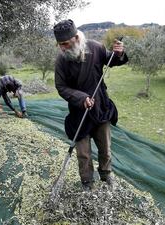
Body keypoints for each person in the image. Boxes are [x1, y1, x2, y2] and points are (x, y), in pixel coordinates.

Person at [53, 19, 128, 190]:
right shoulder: (61, 60)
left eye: (65, 43)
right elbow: (61, 87)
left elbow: (111, 60)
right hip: (79, 112)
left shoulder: (96, 47)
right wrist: (81, 98)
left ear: (77, 39)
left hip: (100, 107)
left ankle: (106, 175)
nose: (62, 48)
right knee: (83, 154)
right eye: (60, 44)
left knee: (105, 148)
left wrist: (118, 53)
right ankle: (87, 182)